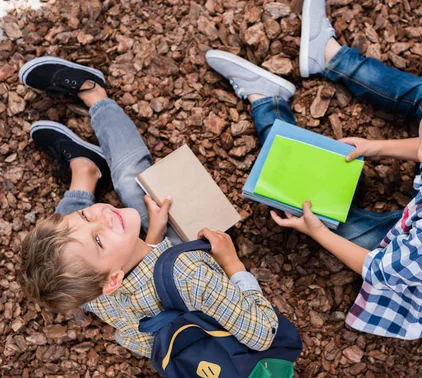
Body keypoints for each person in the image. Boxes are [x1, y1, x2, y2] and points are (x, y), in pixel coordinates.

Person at [205, 0, 422, 339]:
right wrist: (374, 147)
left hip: (414, 282)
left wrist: (316, 232)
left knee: (291, 193)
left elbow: (377, 270)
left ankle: (266, 100)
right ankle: (328, 55)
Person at [17, 57, 278, 358]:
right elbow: (263, 334)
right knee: (131, 181)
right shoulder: (191, 274)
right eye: (98, 239)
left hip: (147, 257)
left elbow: (139, 341)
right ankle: (94, 94)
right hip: (185, 260)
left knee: (67, 249)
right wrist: (232, 263)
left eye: (84, 214)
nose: (101, 215)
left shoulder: (93, 297)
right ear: (113, 280)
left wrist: (152, 237)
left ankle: (85, 171)